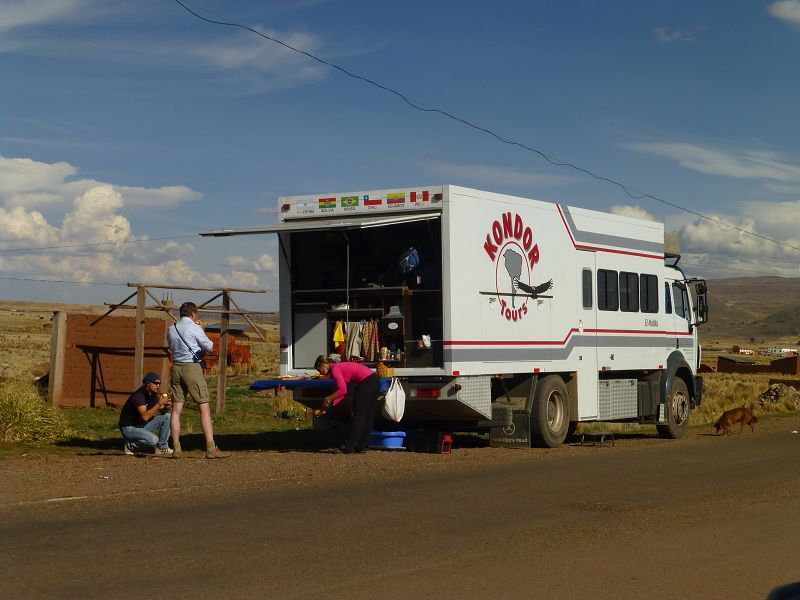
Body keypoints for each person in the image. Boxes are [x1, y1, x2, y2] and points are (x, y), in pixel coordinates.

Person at [167, 301, 229, 459]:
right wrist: (202, 329)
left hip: (176, 367)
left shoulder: (171, 328)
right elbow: (209, 346)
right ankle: (211, 447)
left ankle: (176, 448)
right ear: (193, 314)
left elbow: (171, 347)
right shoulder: (194, 328)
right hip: (191, 367)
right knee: (204, 406)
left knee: (176, 410)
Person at [314, 355, 379, 454]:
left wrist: (328, 398)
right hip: (373, 380)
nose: (320, 373)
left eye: (319, 370)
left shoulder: (335, 369)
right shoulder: (337, 367)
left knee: (359, 415)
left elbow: (343, 390)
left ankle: (349, 446)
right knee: (368, 415)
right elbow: (341, 395)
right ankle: (362, 445)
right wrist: (327, 407)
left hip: (367, 382)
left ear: (323, 365)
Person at [119, 372, 173, 456]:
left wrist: (166, 407)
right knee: (153, 440)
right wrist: (159, 404)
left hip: (141, 424)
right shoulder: (139, 396)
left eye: (159, 383)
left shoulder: (153, 395)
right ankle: (130, 446)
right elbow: (145, 416)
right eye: (155, 383)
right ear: (148, 383)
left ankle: (162, 447)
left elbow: (161, 411)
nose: (158, 385)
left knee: (167, 416)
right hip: (129, 427)